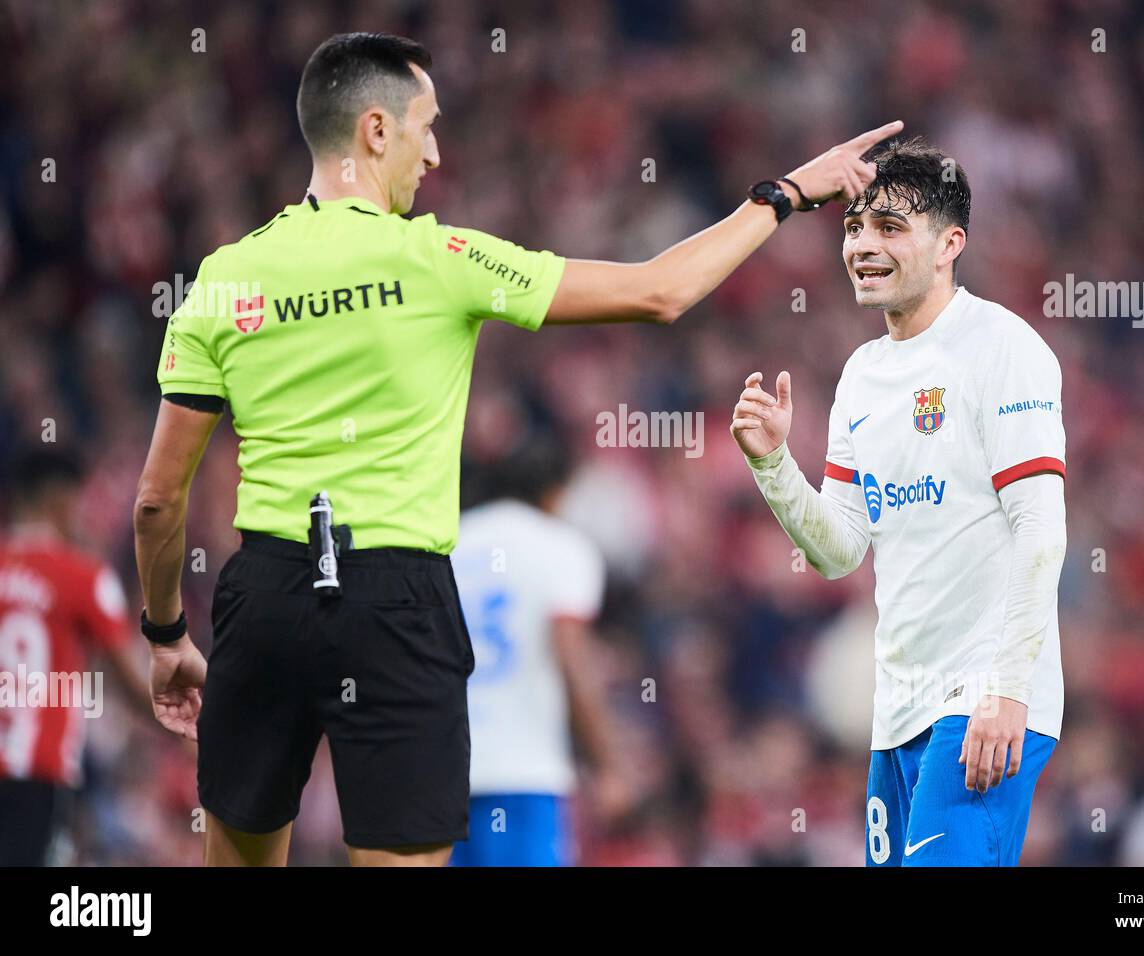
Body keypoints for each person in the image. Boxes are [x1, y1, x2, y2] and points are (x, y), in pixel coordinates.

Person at [133, 30, 904, 867]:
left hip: (266, 596)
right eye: (426, 127)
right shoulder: (442, 258)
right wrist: (785, 194)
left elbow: (157, 500)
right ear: (376, 132)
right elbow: (660, 291)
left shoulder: (224, 278)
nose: (435, 152)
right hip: (396, 597)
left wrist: (168, 632)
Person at [729, 137, 1066, 866]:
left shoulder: (1003, 348)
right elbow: (838, 550)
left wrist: (1007, 691)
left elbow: (1041, 527)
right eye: (853, 227)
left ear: (950, 244)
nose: (862, 245)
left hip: (983, 699)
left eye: (889, 227)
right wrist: (773, 464)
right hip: (899, 712)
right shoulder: (862, 376)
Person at [450, 439, 628, 866]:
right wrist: (608, 764)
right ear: (555, 492)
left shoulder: (452, 543)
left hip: (442, 770)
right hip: (523, 770)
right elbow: (571, 658)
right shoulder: (561, 547)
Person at [0, 447, 150, 866]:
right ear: (60, 500)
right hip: (38, 778)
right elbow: (133, 686)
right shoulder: (83, 577)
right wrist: (190, 727)